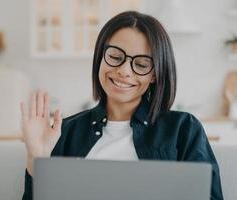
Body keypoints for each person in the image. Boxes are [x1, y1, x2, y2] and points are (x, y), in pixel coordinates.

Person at [21, 11, 223, 200]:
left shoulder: (183, 129)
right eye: (115, 57)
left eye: (141, 64)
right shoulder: (63, 132)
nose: (125, 71)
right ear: (101, 56)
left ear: (155, 74)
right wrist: (36, 159)